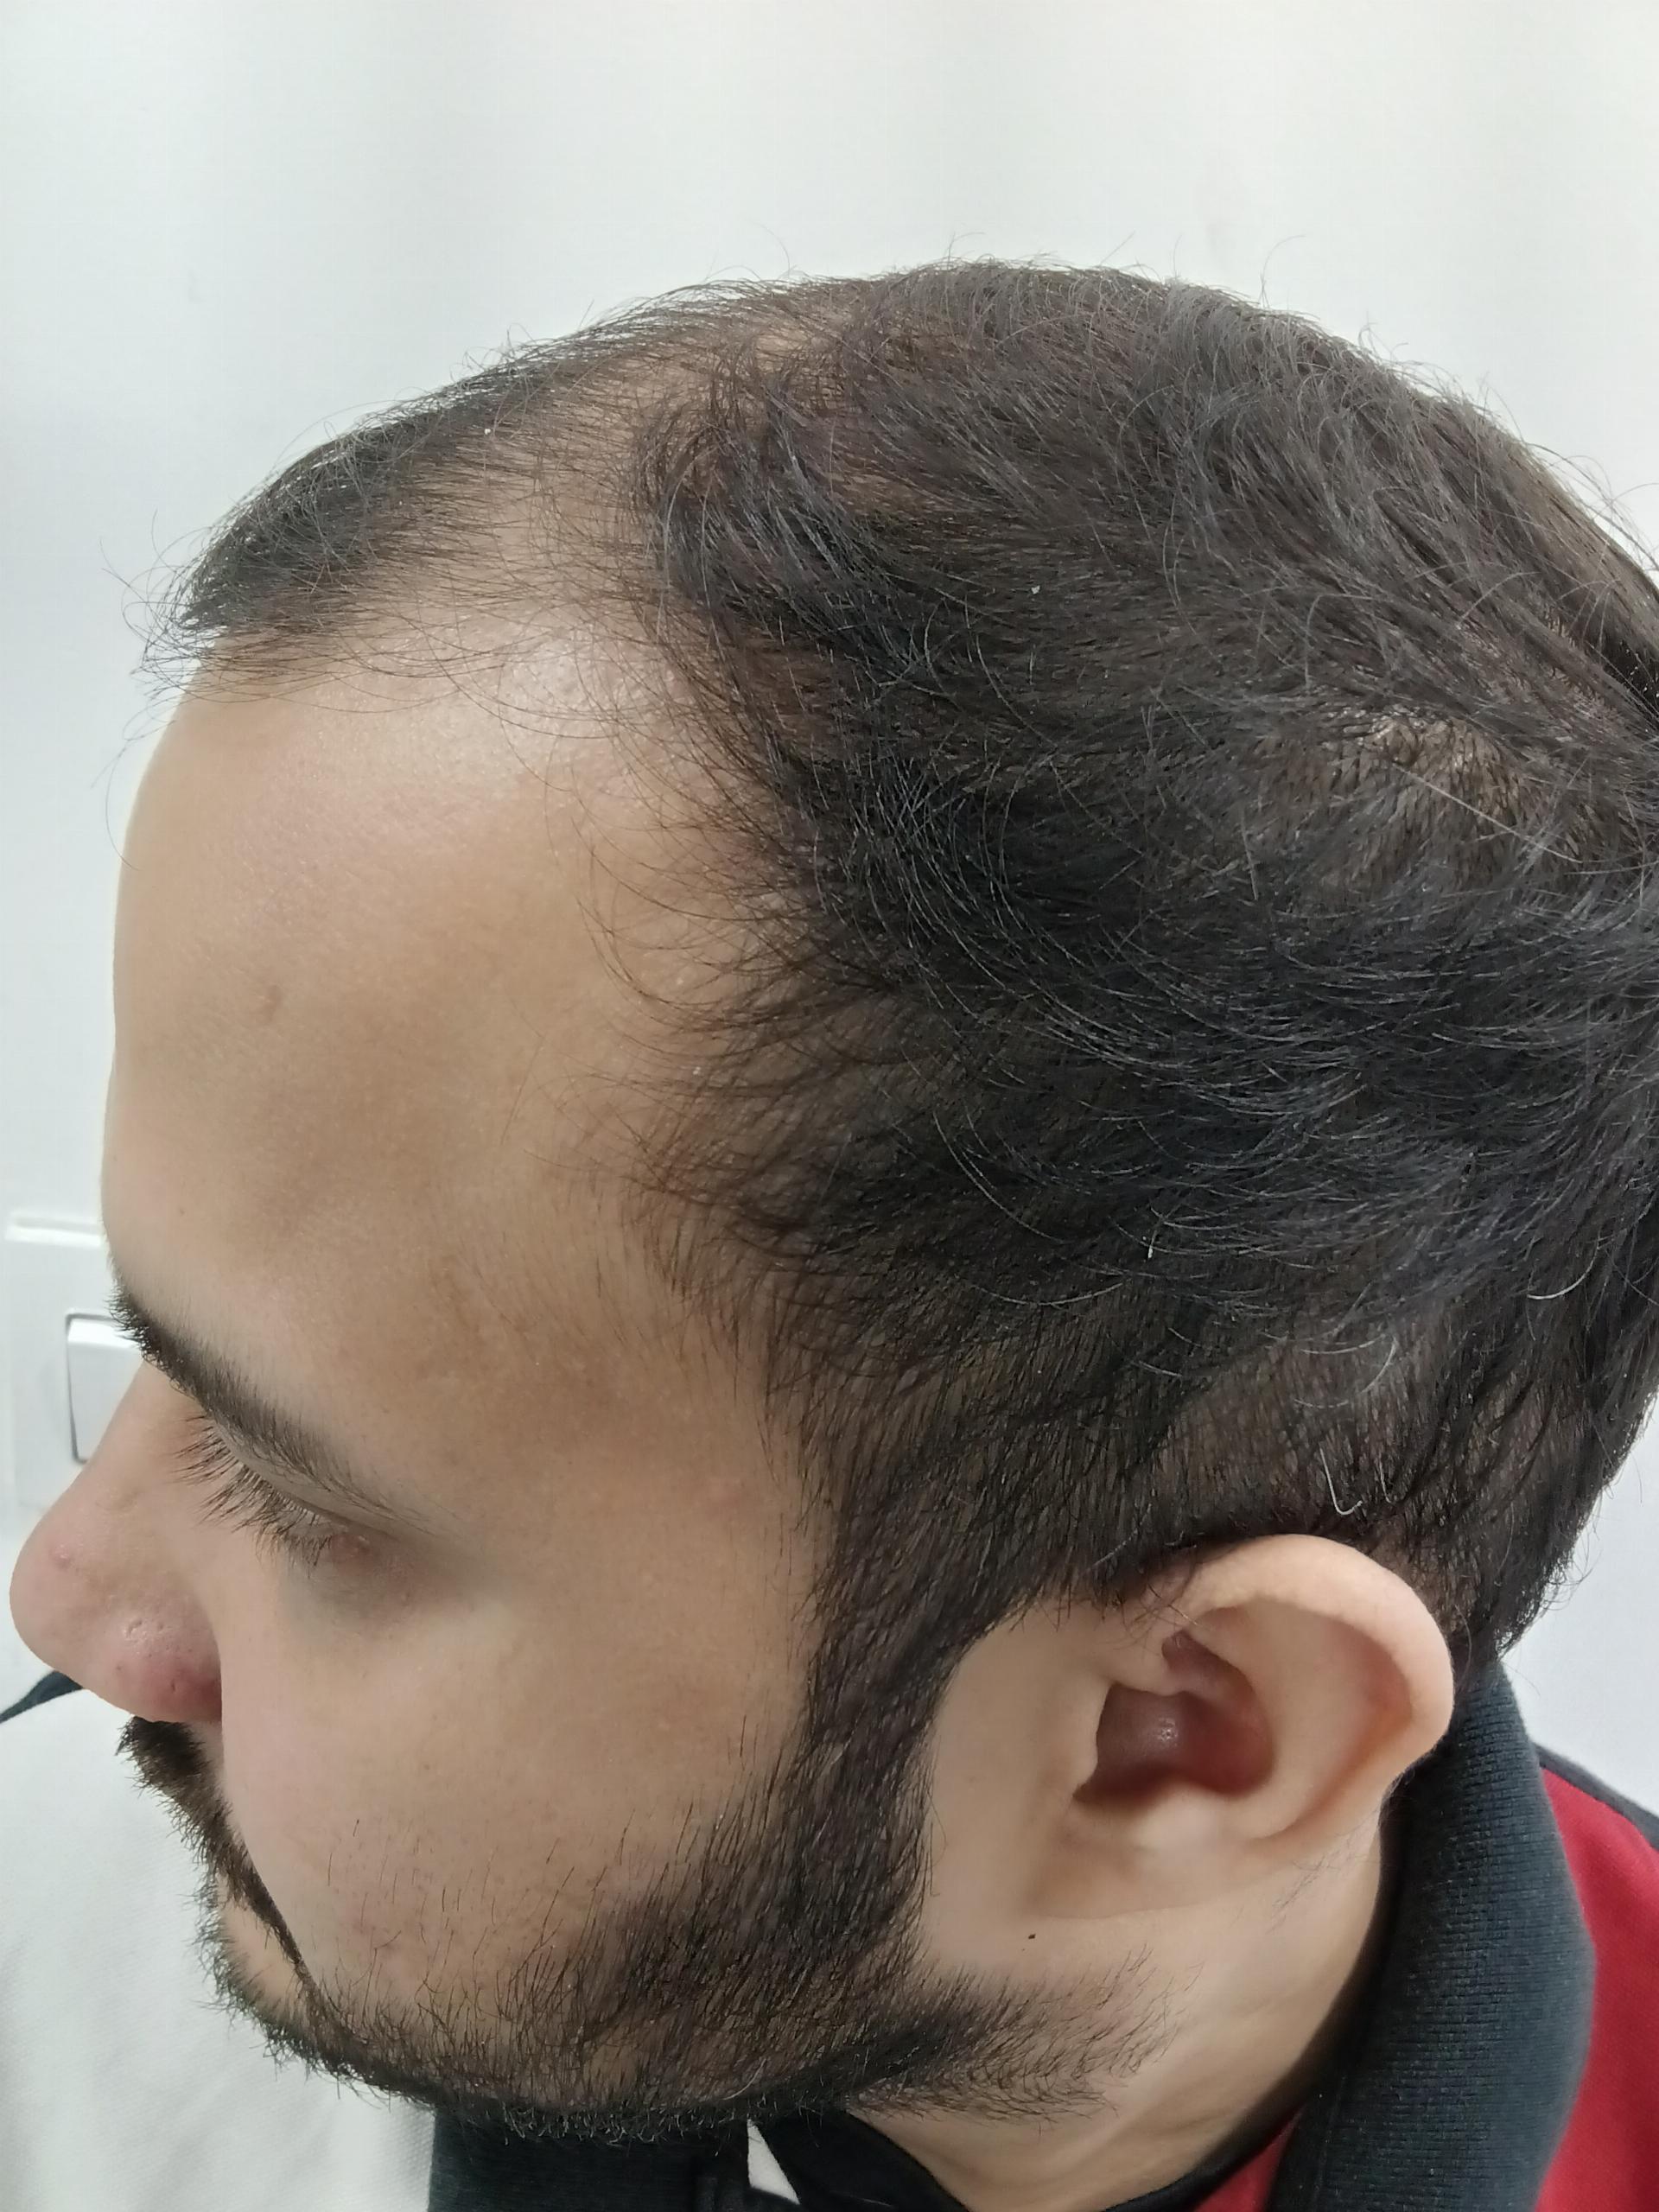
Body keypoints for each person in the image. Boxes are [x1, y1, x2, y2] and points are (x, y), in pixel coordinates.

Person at [5, 258, 1658, 2212]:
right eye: (158, 1352)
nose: (64, 1600)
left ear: (1176, 1732)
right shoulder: (58, 1944)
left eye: (301, 1506)